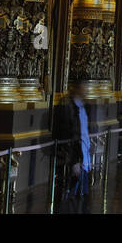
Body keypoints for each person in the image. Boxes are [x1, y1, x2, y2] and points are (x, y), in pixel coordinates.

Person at [52, 79, 93, 213]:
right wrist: (74, 160)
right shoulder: (67, 108)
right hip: (74, 157)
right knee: (72, 197)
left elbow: (83, 132)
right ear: (76, 89)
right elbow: (68, 135)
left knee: (84, 196)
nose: (86, 91)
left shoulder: (84, 106)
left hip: (83, 155)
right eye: (84, 87)